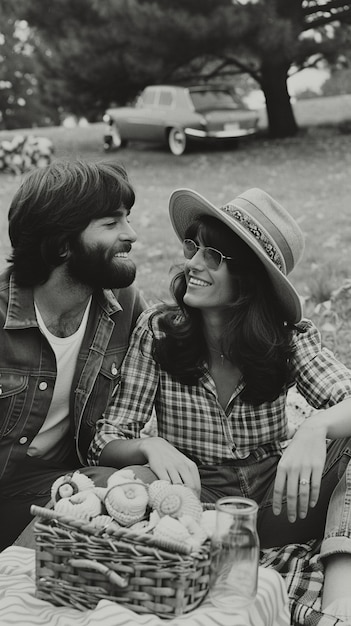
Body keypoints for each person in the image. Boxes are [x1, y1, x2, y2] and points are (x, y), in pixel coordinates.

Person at [89, 187, 351, 623]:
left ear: (250, 279)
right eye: (193, 247)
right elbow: (107, 438)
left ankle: (341, 596)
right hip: (194, 503)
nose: (191, 263)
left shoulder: (287, 338)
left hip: (280, 502)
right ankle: (175, 577)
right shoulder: (158, 331)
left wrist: (315, 427)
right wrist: (152, 448)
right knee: (111, 482)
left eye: (214, 256)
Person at [0, 158, 146, 551]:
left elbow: (184, 356)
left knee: (136, 484)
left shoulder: (124, 307)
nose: (131, 234)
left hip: (56, 488)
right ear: (63, 243)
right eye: (111, 223)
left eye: (127, 219)